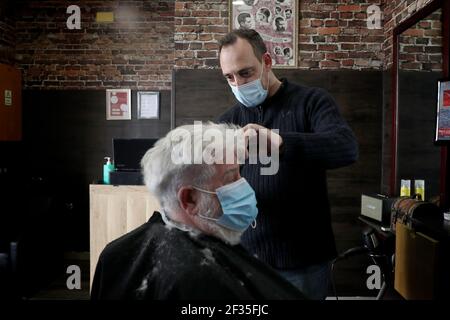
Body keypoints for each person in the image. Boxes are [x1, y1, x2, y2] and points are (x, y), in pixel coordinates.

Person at [217, 29, 358, 300]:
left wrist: (280, 143)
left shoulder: (311, 102)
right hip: (247, 258)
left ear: (267, 62)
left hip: (304, 262)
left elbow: (346, 148)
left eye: (245, 73)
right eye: (229, 77)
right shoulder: (228, 121)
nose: (238, 84)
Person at [90, 122, 305, 300]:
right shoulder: (204, 284)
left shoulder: (114, 254)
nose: (244, 185)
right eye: (231, 178)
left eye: (239, 173)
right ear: (189, 199)